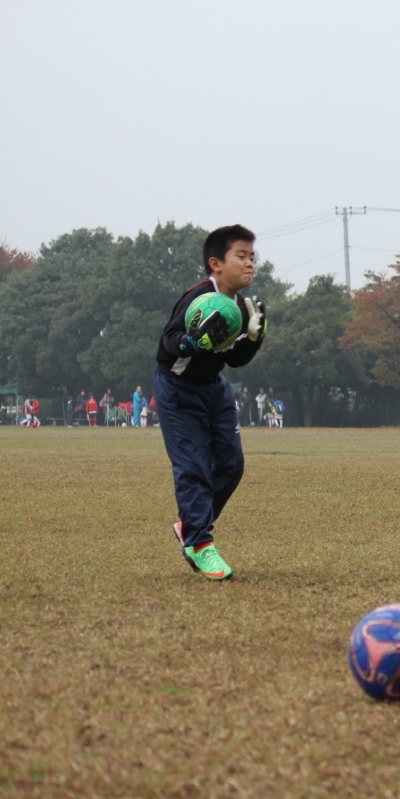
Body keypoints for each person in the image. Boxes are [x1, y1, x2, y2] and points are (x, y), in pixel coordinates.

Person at [155, 224, 267, 581]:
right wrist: (192, 341)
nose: (249, 263)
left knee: (232, 465)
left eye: (252, 257)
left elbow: (233, 359)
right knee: (194, 467)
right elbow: (168, 343)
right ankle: (200, 542)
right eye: (241, 256)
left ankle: (190, 525)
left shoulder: (241, 307)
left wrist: (252, 339)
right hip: (178, 388)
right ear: (216, 264)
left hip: (215, 388)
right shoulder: (200, 296)